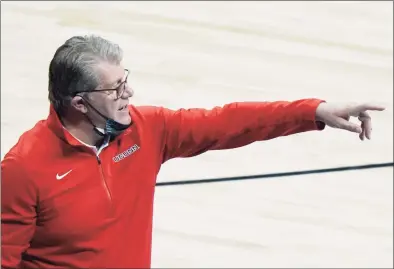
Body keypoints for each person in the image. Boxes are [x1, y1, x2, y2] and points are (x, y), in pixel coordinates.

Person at [1, 35, 385, 269]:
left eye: (126, 81)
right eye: (115, 89)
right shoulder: (24, 168)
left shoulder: (145, 130)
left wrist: (312, 111)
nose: (128, 94)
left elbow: (227, 122)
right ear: (79, 103)